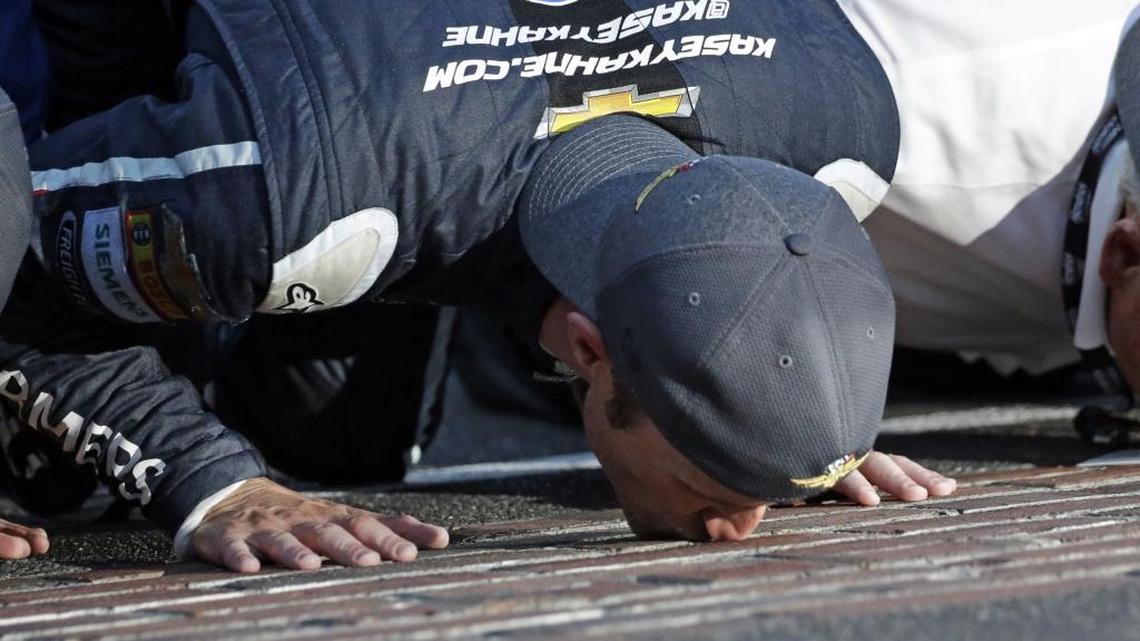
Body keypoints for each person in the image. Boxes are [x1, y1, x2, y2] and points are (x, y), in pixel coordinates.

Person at [4, 0, 954, 571]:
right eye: (720, 483)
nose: (733, 526)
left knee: (334, 444)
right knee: (69, 459)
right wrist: (206, 481)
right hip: (325, 122)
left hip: (411, 113)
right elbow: (16, 273)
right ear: (591, 348)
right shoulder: (310, 198)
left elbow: (764, 271)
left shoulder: (844, 114)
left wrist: (794, 412)